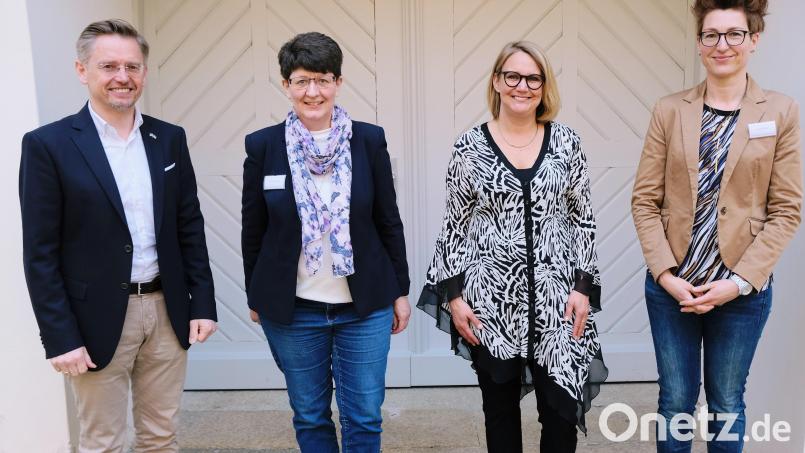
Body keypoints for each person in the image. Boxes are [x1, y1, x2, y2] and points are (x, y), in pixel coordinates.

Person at [19, 19, 217, 452]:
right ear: (82, 70)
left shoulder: (168, 139)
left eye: (132, 66)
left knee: (161, 437)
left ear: (144, 72)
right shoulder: (48, 145)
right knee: (103, 441)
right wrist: (61, 337)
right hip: (95, 319)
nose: (122, 77)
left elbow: (189, 226)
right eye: (108, 66)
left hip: (167, 312)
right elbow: (40, 253)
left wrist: (202, 303)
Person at [418, 40, 607, 453]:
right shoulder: (469, 147)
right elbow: (455, 226)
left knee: (559, 417)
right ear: (497, 82)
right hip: (491, 305)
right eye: (513, 76)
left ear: (544, 86)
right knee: (500, 414)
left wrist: (583, 287)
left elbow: (583, 220)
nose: (523, 86)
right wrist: (454, 297)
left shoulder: (566, 143)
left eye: (533, 78)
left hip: (559, 305)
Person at [631, 1, 801, 451]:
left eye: (733, 34)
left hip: (741, 294)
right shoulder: (669, 110)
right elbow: (645, 201)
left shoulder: (781, 111)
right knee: (675, 404)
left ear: (754, 40)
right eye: (711, 34)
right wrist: (667, 276)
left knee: (727, 403)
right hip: (673, 292)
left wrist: (741, 282)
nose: (721, 44)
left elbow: (787, 209)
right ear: (700, 42)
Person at [241, 32, 410, 453]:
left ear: (337, 82)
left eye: (322, 79)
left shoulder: (368, 140)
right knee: (311, 415)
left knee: (365, 417)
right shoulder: (264, 145)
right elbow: (253, 229)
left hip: (364, 306)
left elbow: (388, 220)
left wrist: (400, 291)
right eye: (301, 80)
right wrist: (256, 293)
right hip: (294, 309)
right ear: (286, 85)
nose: (312, 91)